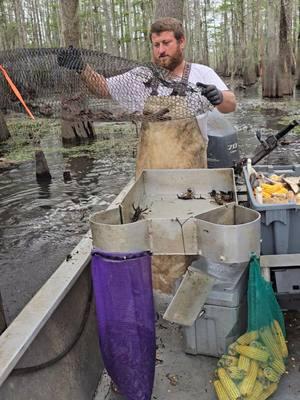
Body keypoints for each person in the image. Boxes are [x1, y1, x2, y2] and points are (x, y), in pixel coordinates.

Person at [58, 17, 236, 178]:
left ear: (181, 42)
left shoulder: (202, 73)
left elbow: (230, 105)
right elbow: (103, 88)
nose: (161, 50)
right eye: (156, 45)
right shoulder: (142, 75)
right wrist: (81, 68)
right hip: (150, 174)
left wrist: (219, 96)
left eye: (166, 43)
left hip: (191, 171)